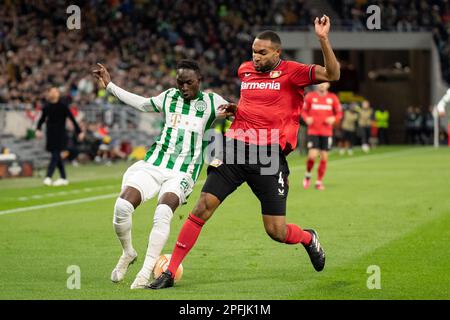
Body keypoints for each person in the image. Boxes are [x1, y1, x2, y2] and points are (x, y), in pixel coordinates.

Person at [150, 14, 340, 289]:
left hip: (268, 157)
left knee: (276, 231)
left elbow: (333, 74)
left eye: (262, 53)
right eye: (253, 52)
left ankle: (309, 238)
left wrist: (322, 39)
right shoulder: (244, 71)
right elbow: (256, 104)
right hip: (234, 148)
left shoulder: (294, 72)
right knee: (203, 207)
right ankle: (170, 270)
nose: (256, 57)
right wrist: (239, 111)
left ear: (277, 52)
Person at [92, 60, 236, 289]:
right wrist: (110, 86)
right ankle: (128, 252)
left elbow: (237, 115)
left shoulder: (211, 101)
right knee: (122, 207)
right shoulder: (169, 97)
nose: (184, 87)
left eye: (189, 83)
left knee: (162, 212)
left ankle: (147, 270)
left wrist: (236, 112)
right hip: (154, 163)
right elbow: (141, 104)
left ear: (199, 81)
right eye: (180, 83)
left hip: (183, 171)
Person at [36, 87, 82, 186]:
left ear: (58, 94)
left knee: (55, 155)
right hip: (50, 134)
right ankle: (63, 178)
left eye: (55, 91)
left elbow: (72, 119)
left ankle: (48, 176)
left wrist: (79, 131)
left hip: (61, 134)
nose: (53, 93)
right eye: (51, 91)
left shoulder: (63, 106)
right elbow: (42, 119)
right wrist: (38, 129)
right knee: (56, 156)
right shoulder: (46, 107)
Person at [301, 82, 342, 190]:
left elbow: (339, 113)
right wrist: (306, 118)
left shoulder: (333, 98)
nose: (321, 85)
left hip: (327, 132)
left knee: (324, 157)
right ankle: (308, 174)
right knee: (312, 156)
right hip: (313, 131)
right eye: (319, 83)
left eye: (324, 83)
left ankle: (319, 182)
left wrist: (334, 119)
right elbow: (303, 111)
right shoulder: (310, 96)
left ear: (328, 85)